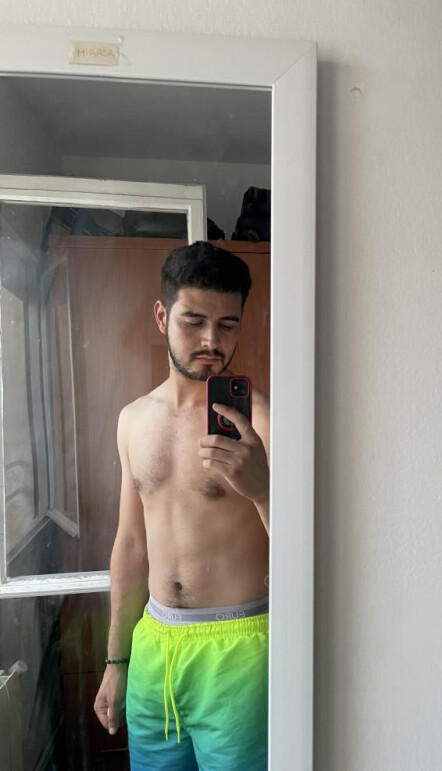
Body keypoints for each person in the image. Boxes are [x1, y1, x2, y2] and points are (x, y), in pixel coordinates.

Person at [93, 241, 270, 771]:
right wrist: (117, 660)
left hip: (239, 652)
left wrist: (262, 489)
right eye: (194, 321)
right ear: (161, 316)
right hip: (153, 648)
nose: (212, 340)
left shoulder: (263, 423)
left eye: (228, 325)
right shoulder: (133, 419)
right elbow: (130, 545)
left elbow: (312, 560)